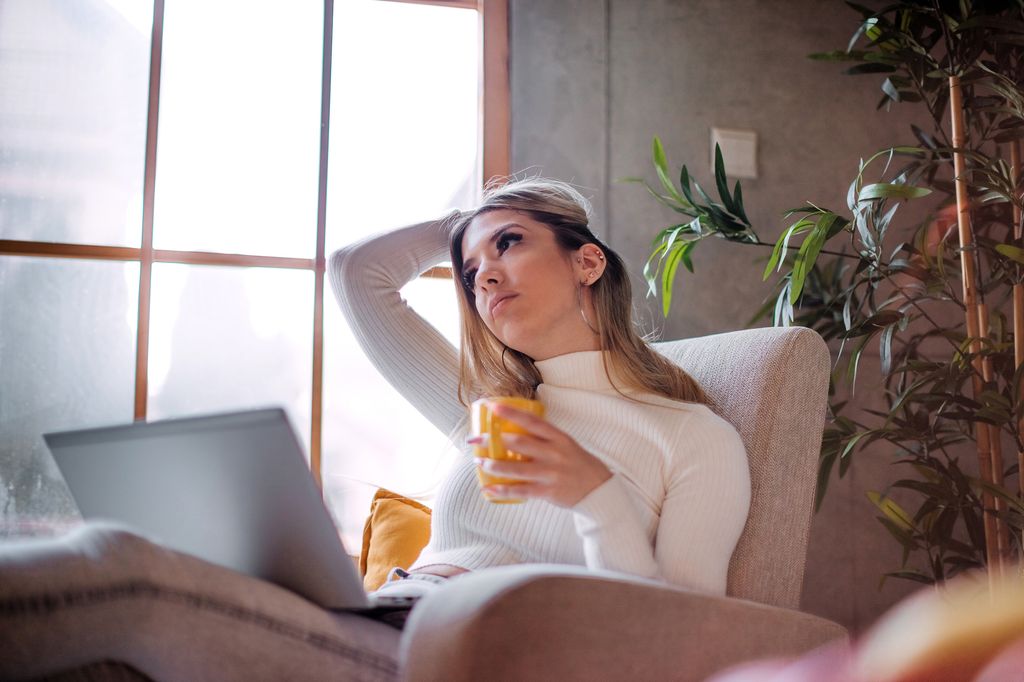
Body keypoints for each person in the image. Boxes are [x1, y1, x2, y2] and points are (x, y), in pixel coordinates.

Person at [0, 178, 750, 681]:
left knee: (121, 569)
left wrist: (598, 502)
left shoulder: (692, 439)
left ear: (588, 261)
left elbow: (684, 649)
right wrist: (470, 224)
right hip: (378, 610)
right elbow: (356, 271)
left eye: (510, 244)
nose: (482, 275)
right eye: (467, 269)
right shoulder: (487, 412)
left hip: (455, 651)